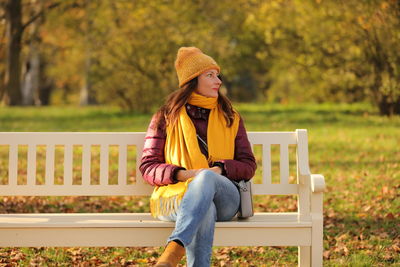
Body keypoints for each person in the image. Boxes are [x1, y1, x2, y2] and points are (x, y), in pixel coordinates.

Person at [140, 47, 256, 267]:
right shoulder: (166, 116)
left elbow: (248, 164)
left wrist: (219, 169)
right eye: (210, 75)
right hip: (177, 196)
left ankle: (174, 248)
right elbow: (148, 167)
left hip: (225, 197)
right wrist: (184, 174)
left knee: (206, 179)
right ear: (193, 80)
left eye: (217, 75)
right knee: (205, 208)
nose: (218, 81)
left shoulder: (230, 116)